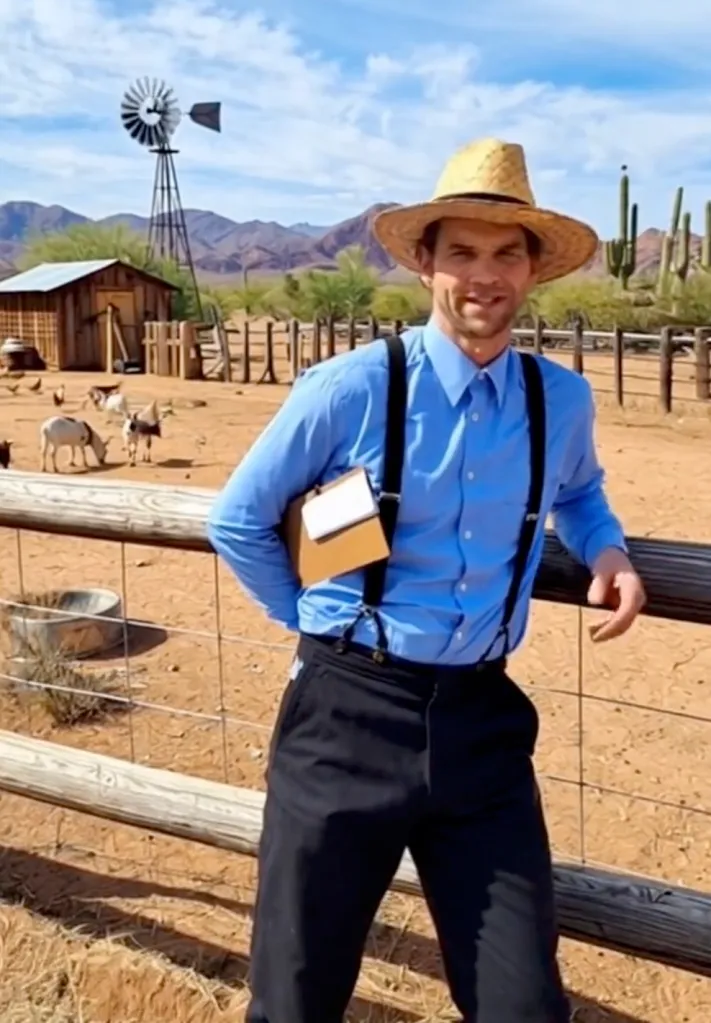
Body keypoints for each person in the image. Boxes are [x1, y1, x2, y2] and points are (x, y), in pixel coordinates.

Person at [207, 137, 646, 1023]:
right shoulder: (352, 387)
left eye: (504, 254)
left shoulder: (558, 400)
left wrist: (607, 549)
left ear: (530, 273)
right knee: (294, 998)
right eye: (461, 253)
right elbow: (239, 518)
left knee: (522, 1005)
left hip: (481, 727)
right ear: (424, 264)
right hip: (344, 719)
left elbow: (581, 493)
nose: (482, 276)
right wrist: (315, 627)